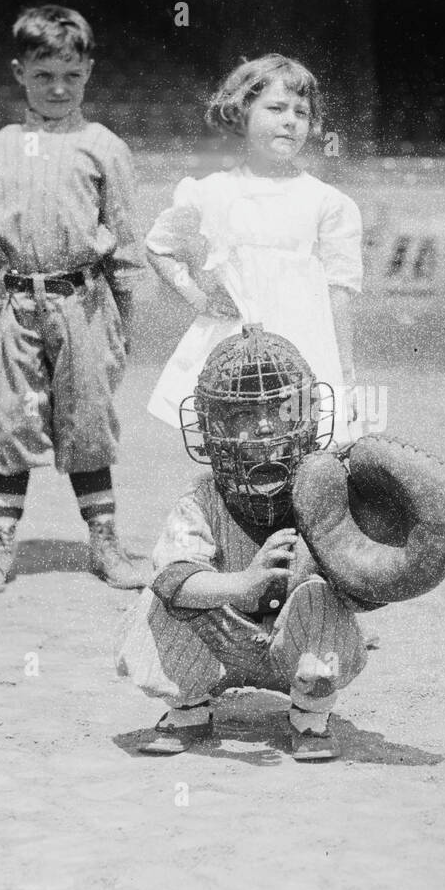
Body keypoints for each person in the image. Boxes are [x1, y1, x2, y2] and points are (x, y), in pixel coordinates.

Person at [116, 326, 370, 762]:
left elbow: (363, 583)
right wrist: (243, 585)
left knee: (322, 597)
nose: (266, 428)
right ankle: (189, 708)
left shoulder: (328, 493)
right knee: (161, 597)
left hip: (296, 646)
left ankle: (310, 714)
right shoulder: (203, 499)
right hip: (220, 641)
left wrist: (377, 569)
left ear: (307, 418)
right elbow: (173, 575)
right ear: (214, 429)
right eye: (244, 418)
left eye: (281, 411)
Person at [0, 5, 147, 593]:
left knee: (88, 420)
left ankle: (103, 540)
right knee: (5, 420)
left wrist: (123, 322)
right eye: (44, 74)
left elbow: (123, 238)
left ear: (88, 72)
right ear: (20, 71)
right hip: (13, 303)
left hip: (83, 305)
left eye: (70, 75)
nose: (57, 88)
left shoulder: (103, 146)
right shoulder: (2, 144)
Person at [145, 53, 363, 448]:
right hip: (233, 352)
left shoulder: (328, 203)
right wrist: (197, 296)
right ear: (241, 112)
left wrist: (345, 376)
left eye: (301, 111)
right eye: (276, 108)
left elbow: (340, 294)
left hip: (305, 350)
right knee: (234, 459)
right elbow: (159, 248)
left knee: (304, 460)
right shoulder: (209, 191)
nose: (290, 120)